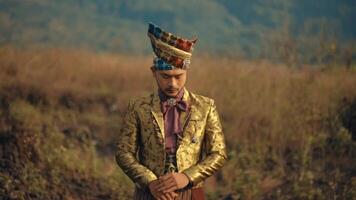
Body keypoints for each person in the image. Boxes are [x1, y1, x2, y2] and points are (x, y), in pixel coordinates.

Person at [116, 23, 227, 200]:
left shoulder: (205, 107)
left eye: (178, 76)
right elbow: (123, 153)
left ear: (187, 72)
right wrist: (151, 182)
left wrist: (186, 177)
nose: (173, 83)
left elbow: (218, 153)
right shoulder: (139, 107)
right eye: (166, 77)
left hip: (191, 191)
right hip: (149, 193)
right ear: (154, 72)